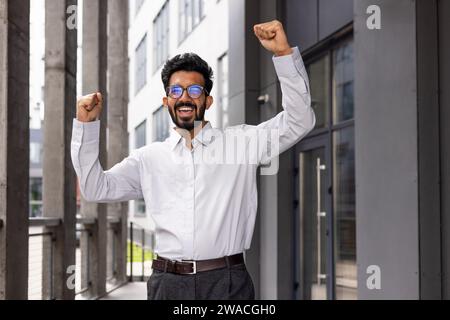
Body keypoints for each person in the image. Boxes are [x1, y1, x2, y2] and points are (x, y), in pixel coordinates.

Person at [71, 20, 315, 300]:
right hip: (167, 284)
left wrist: (283, 54)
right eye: (176, 91)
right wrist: (86, 128)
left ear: (207, 101)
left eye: (195, 91)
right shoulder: (148, 159)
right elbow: (94, 188)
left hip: (227, 283)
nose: (185, 97)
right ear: (166, 102)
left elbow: (300, 120)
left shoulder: (243, 143)